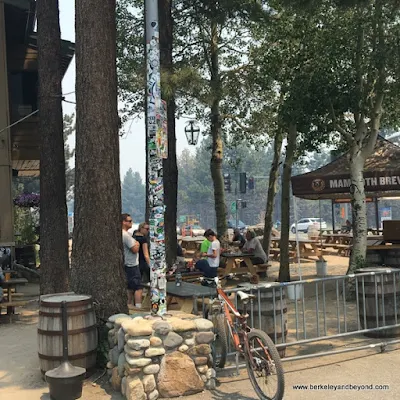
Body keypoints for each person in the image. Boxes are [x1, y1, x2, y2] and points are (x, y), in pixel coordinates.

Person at [122, 213, 141, 310]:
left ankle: (129, 305)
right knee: (138, 287)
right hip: (132, 264)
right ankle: (138, 306)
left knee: (129, 287)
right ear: (123, 222)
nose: (131, 223)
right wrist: (137, 244)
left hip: (127, 264)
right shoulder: (125, 235)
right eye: (129, 221)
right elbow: (134, 249)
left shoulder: (126, 234)